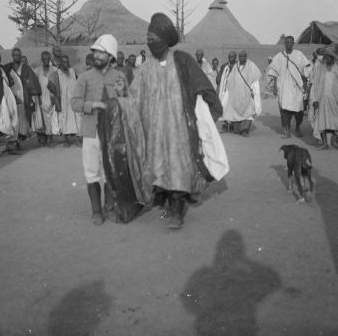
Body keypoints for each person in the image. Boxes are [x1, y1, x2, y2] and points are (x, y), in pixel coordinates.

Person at [112, 13, 223, 229]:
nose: (149, 41)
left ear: (164, 38)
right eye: (148, 38)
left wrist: (207, 116)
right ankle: (169, 208)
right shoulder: (145, 69)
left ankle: (178, 213)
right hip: (155, 133)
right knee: (160, 170)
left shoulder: (182, 61)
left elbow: (203, 86)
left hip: (179, 131)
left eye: (153, 37)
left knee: (179, 168)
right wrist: (121, 98)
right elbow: (134, 98)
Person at [71, 34, 122, 225]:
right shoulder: (84, 77)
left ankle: (109, 209)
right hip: (91, 133)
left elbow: (127, 103)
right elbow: (74, 103)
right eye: (96, 52)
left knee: (110, 172)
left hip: (112, 134)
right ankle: (96, 211)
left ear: (111, 56)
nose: (97, 56)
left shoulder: (119, 77)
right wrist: (92, 104)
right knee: (92, 172)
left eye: (102, 53)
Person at [309, 47, 338, 149]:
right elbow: (316, 84)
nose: (327, 59)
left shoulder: (337, 68)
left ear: (333, 58)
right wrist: (315, 99)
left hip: (335, 99)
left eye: (329, 57)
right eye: (326, 57)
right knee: (324, 121)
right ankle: (326, 144)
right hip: (322, 99)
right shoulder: (321, 68)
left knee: (336, 120)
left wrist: (334, 54)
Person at [266, 35, 311, 138]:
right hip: (283, 87)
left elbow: (306, 69)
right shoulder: (279, 56)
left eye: (290, 42)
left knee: (298, 110)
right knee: (284, 110)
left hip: (296, 87)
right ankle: (286, 131)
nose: (288, 44)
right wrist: (274, 87)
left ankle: (298, 128)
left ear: (293, 43)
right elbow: (273, 71)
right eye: (287, 42)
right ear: (284, 43)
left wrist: (305, 85)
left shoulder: (299, 55)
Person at [4, 47, 41, 147]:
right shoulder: (7, 68)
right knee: (13, 121)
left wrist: (33, 97)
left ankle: (18, 141)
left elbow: (32, 82)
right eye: (15, 55)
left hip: (24, 98)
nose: (17, 57)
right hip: (11, 98)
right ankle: (12, 142)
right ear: (12, 56)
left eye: (19, 55)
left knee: (23, 121)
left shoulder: (26, 68)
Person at [220, 50, 262, 136]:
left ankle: (245, 130)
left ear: (246, 57)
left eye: (244, 56)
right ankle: (238, 129)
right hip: (236, 95)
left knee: (248, 113)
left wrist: (255, 93)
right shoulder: (236, 67)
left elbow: (255, 82)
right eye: (240, 56)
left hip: (247, 95)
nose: (242, 58)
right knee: (235, 113)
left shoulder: (251, 66)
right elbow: (231, 81)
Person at [49, 55, 81, 146]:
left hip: (73, 101)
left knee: (77, 119)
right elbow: (51, 88)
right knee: (64, 120)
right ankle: (66, 141)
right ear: (60, 63)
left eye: (68, 62)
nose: (67, 64)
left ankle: (78, 140)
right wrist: (55, 101)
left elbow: (78, 83)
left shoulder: (72, 72)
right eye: (65, 62)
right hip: (63, 102)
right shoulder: (56, 74)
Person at [33, 51, 58, 147]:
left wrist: (55, 97)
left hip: (52, 98)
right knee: (42, 119)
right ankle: (44, 136)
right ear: (41, 59)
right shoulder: (37, 70)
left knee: (51, 118)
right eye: (44, 59)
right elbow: (35, 85)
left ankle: (50, 138)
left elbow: (57, 85)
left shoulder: (55, 70)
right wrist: (37, 97)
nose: (46, 60)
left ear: (50, 59)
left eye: (48, 58)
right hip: (41, 97)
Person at [217, 51, 238, 132]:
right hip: (225, 90)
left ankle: (232, 124)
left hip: (235, 91)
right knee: (224, 107)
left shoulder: (238, 66)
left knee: (233, 108)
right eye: (229, 57)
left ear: (235, 57)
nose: (230, 58)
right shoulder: (224, 66)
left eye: (232, 57)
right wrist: (218, 87)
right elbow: (219, 78)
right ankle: (225, 124)